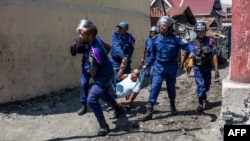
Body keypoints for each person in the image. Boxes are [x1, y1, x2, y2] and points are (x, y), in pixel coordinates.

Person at [141, 16, 195, 121]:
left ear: (169, 27)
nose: (161, 27)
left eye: (164, 25)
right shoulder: (155, 40)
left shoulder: (175, 39)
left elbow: (188, 45)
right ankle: (149, 110)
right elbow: (152, 55)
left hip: (171, 67)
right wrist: (146, 64)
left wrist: (192, 51)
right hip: (159, 66)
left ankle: (172, 105)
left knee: (171, 88)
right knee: (155, 87)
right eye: (160, 25)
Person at [79, 24, 124, 136]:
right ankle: (118, 109)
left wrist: (89, 70)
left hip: (104, 75)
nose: (80, 36)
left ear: (90, 36)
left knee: (92, 99)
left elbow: (93, 72)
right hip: (105, 71)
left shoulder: (95, 51)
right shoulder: (96, 39)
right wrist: (101, 61)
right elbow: (108, 47)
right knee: (103, 94)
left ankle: (104, 126)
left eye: (82, 34)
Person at [70, 20, 111, 116]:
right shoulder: (81, 39)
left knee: (102, 87)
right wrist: (73, 46)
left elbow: (108, 47)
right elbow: (74, 53)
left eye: (82, 32)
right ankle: (84, 105)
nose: (80, 34)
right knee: (84, 84)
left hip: (95, 67)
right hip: (86, 66)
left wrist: (101, 59)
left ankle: (111, 103)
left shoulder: (96, 40)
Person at [192, 21, 220, 113]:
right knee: (201, 85)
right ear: (196, 31)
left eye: (202, 31)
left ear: (205, 31)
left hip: (207, 67)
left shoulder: (210, 41)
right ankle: (200, 103)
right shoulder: (193, 43)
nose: (201, 33)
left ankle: (203, 95)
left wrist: (216, 70)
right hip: (197, 68)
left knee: (207, 86)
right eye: (199, 31)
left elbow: (214, 55)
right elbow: (188, 52)